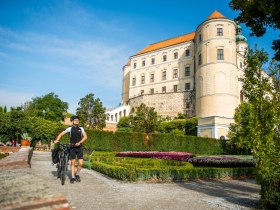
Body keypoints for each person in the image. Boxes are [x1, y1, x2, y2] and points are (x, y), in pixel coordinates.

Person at [54, 115, 87, 184]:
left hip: (79, 147)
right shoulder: (69, 129)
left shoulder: (81, 128)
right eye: (75, 120)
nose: (77, 121)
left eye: (77, 120)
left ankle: (77, 174)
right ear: (72, 121)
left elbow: (85, 137)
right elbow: (61, 134)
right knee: (73, 163)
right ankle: (72, 177)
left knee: (80, 163)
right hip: (72, 148)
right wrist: (57, 140)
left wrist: (80, 142)